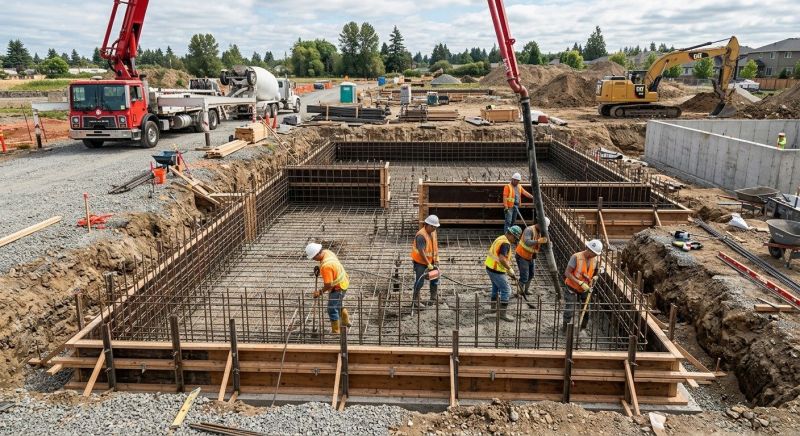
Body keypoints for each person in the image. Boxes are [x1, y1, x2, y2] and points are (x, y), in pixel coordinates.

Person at [305, 243, 350, 334]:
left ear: (317, 253)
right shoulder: (327, 252)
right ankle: (345, 319)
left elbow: (328, 285)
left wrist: (320, 292)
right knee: (337, 303)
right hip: (344, 281)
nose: (314, 259)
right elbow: (330, 266)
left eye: (314, 257)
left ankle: (336, 331)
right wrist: (320, 267)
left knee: (331, 308)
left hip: (338, 288)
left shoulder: (326, 267)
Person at [562, 239, 603, 331]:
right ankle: (565, 328)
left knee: (586, 310)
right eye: (594, 253)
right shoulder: (576, 257)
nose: (595, 256)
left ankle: (582, 328)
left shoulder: (594, 260)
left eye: (596, 254)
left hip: (585, 288)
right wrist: (579, 282)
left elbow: (596, 271)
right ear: (589, 249)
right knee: (570, 309)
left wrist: (595, 276)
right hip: (572, 287)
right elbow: (567, 273)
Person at [485, 225, 522, 322]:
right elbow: (502, 259)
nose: (515, 241)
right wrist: (510, 269)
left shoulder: (501, 238)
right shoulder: (505, 243)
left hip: (490, 267)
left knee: (496, 287)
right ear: (511, 235)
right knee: (506, 290)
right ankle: (502, 314)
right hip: (496, 270)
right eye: (515, 238)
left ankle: (493, 308)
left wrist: (507, 271)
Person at [410, 215, 441, 308]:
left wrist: (436, 260)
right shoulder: (421, 235)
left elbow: (434, 247)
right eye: (433, 227)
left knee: (434, 278)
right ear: (427, 225)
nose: (434, 228)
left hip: (432, 261)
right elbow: (421, 251)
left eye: (435, 227)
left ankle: (433, 298)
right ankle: (415, 301)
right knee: (420, 281)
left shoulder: (433, 232)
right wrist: (428, 264)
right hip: (420, 263)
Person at [515, 217, 550, 296]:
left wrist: (548, 242)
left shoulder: (540, 232)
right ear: (540, 224)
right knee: (524, 276)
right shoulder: (529, 230)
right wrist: (538, 241)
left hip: (531, 256)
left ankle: (526, 290)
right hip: (522, 256)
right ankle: (518, 292)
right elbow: (527, 242)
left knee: (531, 274)